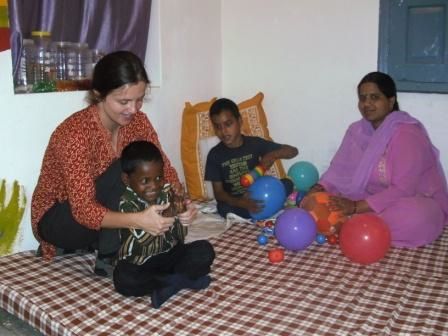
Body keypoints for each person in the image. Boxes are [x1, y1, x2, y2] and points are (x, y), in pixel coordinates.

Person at [31, 51, 197, 276]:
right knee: (125, 166)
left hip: (98, 221)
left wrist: (181, 203)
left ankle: (97, 243)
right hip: (60, 221)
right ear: (99, 94)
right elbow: (83, 211)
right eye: (124, 101)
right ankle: (108, 258)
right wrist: (139, 220)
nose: (134, 109)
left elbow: (164, 170)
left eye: (139, 99)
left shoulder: (139, 123)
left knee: (145, 169)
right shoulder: (73, 134)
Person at [305, 71, 448, 247]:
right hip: (367, 198)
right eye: (362, 98)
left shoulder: (407, 133)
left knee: (416, 217)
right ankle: (359, 224)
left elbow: (403, 189)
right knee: (323, 202)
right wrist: (318, 188)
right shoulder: (357, 131)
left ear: (391, 100)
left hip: (412, 200)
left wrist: (356, 207)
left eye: (374, 97)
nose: (367, 104)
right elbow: (339, 171)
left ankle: (354, 223)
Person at [113, 141, 215, 308]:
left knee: (205, 250)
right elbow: (144, 240)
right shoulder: (127, 203)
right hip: (141, 262)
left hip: (169, 254)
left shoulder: (167, 192)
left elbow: (180, 237)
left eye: (159, 177)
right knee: (123, 279)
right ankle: (180, 280)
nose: (154, 186)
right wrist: (171, 211)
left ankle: (169, 284)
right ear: (127, 179)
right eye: (145, 181)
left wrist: (182, 211)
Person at [205, 98, 298, 219]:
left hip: (262, 193)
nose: (223, 131)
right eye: (218, 127)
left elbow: (293, 151)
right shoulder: (214, 154)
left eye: (228, 124)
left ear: (239, 121)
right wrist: (240, 202)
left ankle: (265, 208)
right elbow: (219, 193)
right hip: (237, 201)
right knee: (222, 208)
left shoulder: (254, 143)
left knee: (287, 183)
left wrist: (273, 155)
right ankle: (269, 208)